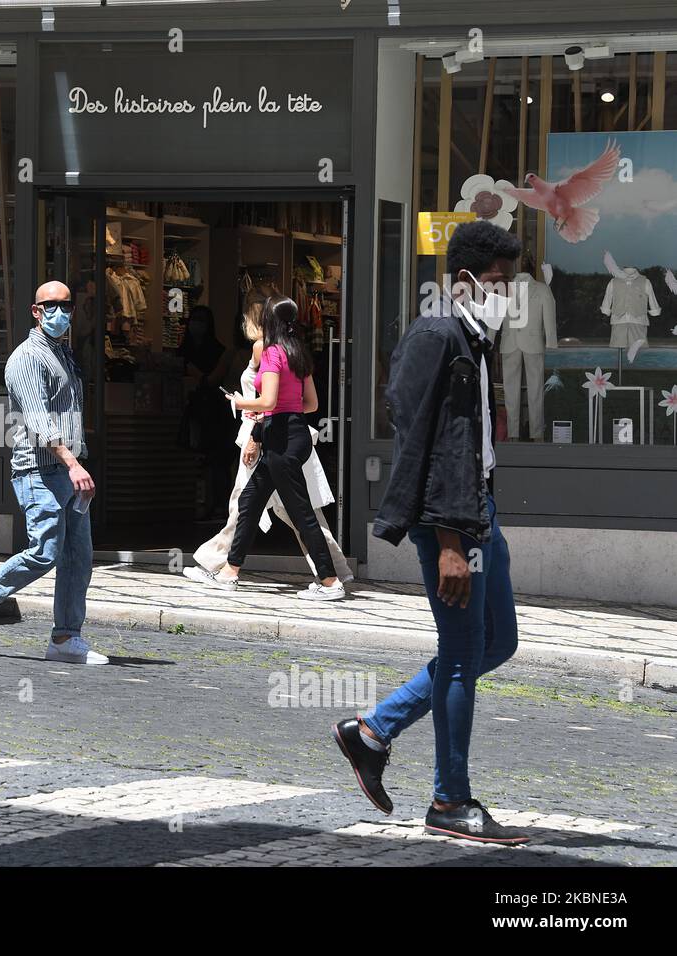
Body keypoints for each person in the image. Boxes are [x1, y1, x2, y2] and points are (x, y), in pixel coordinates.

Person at [333, 220, 528, 845]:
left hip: (478, 514)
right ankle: (450, 800)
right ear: (465, 280)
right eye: (499, 281)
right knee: (466, 654)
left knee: (497, 643)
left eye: (512, 282)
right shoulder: (437, 335)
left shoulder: (474, 340)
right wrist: (447, 541)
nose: (507, 293)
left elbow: (468, 442)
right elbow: (423, 440)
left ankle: (370, 732)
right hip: (452, 525)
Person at [0, 280, 108, 665]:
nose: (61, 312)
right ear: (36, 311)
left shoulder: (63, 354)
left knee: (77, 556)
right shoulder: (26, 358)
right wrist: (72, 464)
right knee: (45, 551)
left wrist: (77, 460)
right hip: (40, 469)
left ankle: (66, 637)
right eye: (51, 305)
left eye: (67, 305)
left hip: (67, 470)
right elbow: (38, 419)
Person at [184, 292, 353, 586]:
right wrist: (283, 408)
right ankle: (229, 570)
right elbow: (311, 404)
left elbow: (267, 400)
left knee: (300, 512)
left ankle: (329, 580)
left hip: (279, 438)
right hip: (289, 433)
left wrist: (240, 404)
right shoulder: (298, 351)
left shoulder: (272, 352)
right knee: (249, 502)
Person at [178, 304, 237, 518]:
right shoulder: (185, 349)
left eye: (202, 321)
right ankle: (205, 503)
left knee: (216, 459)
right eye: (195, 320)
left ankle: (216, 503)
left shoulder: (221, 351)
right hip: (196, 408)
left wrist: (198, 376)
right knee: (205, 458)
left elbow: (213, 381)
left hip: (213, 411)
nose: (197, 326)